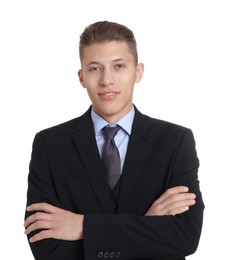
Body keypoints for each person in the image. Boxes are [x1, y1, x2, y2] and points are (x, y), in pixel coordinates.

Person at [24, 21, 204, 260]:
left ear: (138, 71)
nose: (106, 80)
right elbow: (45, 247)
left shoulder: (175, 141)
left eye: (119, 66)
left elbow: (185, 237)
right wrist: (146, 225)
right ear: (81, 76)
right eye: (95, 68)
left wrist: (83, 227)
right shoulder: (49, 145)